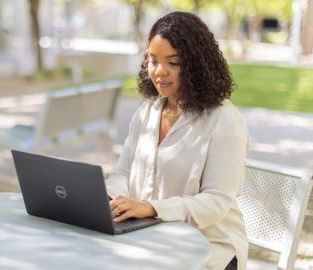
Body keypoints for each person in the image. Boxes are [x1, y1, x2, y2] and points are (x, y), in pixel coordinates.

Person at [105, 11, 249, 270]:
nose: (159, 72)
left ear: (196, 64)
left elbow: (216, 202)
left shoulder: (224, 120)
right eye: (153, 60)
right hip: (152, 239)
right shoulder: (148, 111)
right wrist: (108, 195)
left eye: (173, 62)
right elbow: (123, 173)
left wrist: (151, 208)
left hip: (210, 248)